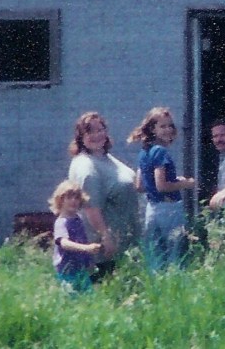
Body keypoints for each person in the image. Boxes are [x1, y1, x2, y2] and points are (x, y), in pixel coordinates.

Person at [67, 111, 139, 279]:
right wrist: (106, 238)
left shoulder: (104, 158)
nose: (96, 135)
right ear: (80, 137)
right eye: (89, 131)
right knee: (111, 293)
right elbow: (91, 208)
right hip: (106, 250)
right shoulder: (87, 167)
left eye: (100, 130)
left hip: (125, 242)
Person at [129, 106, 195, 271]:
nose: (168, 130)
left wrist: (173, 179)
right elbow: (162, 186)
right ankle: (176, 289)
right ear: (152, 129)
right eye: (162, 126)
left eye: (170, 126)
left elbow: (140, 185)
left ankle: (157, 290)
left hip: (152, 209)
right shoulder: (160, 151)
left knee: (156, 256)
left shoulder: (144, 152)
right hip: (169, 207)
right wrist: (186, 184)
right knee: (176, 254)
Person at [48, 179, 103, 292]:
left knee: (87, 296)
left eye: (77, 198)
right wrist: (86, 248)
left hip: (81, 268)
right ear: (60, 200)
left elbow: (83, 240)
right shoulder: (61, 222)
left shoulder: (78, 219)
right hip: (67, 270)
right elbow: (64, 243)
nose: (73, 201)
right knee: (71, 296)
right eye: (69, 198)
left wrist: (89, 262)